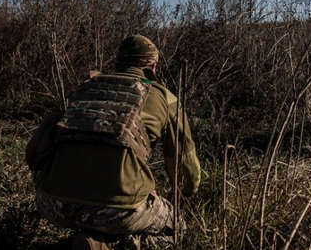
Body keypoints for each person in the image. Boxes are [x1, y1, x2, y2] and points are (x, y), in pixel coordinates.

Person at [26, 35, 201, 250]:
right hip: (118, 211)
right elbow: (187, 174)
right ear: (153, 67)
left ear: (117, 63)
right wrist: (184, 200)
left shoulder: (88, 86)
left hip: (53, 204)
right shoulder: (164, 97)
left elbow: (35, 154)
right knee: (177, 228)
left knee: (95, 208)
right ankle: (112, 246)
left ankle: (84, 239)